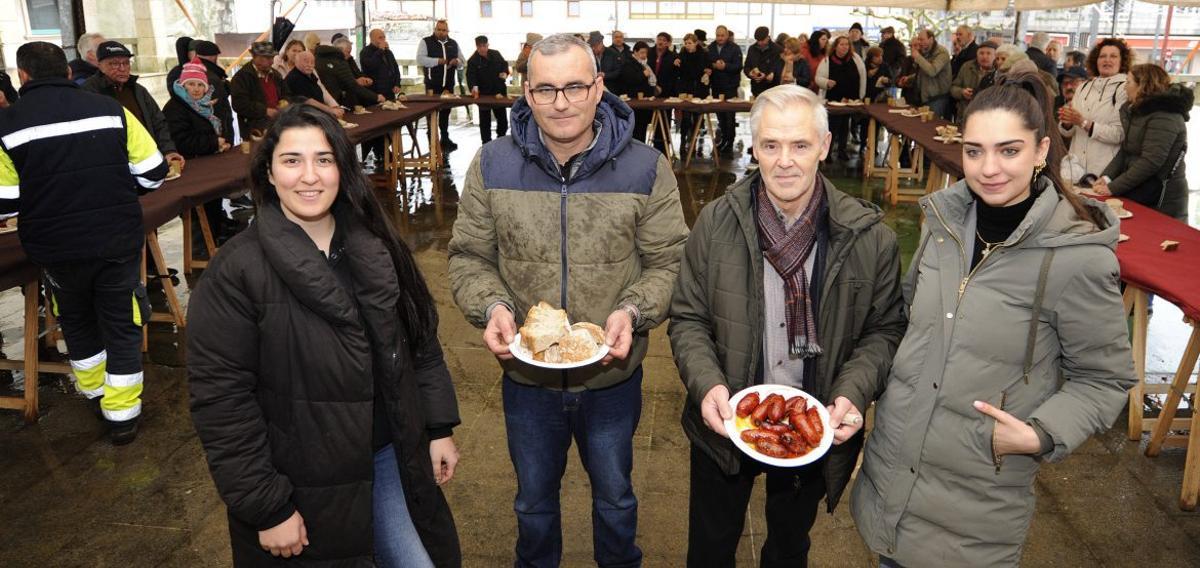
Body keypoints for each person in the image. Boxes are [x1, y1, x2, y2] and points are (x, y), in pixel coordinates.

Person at [851, 72, 1135, 567]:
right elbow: (905, 323)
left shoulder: (1076, 256)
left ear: (1041, 150)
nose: (989, 169)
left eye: (1009, 151)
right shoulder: (943, 226)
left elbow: (1105, 378)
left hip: (976, 503)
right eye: (975, 151)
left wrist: (1040, 433)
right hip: (893, 477)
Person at [447, 33, 687, 568]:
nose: (562, 103)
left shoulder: (646, 168)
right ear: (526, 93)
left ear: (599, 87)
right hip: (527, 381)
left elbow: (670, 261)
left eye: (575, 87)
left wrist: (631, 311)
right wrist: (494, 307)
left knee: (616, 499)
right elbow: (467, 257)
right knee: (532, 504)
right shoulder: (491, 165)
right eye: (547, 89)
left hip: (611, 380)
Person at [187, 104, 462, 567]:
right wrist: (267, 506)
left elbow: (420, 343)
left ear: (343, 169)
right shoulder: (235, 272)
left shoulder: (376, 245)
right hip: (300, 483)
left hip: (388, 456)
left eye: (325, 159)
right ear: (269, 173)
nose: (309, 176)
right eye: (292, 160)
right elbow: (222, 402)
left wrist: (437, 428)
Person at [670, 83, 904, 568]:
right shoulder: (715, 224)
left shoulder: (869, 237)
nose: (785, 161)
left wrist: (853, 393)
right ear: (754, 148)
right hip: (725, 423)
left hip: (814, 426)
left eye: (800, 145)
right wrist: (707, 384)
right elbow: (689, 317)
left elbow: (885, 330)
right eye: (771, 145)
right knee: (710, 548)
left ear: (823, 145)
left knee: (788, 550)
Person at [0, 41, 167, 444]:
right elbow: (153, 174)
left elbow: (4, 201)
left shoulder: (8, 126)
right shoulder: (113, 111)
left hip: (56, 249)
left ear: (24, 75)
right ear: (70, 72)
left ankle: (94, 393)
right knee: (122, 322)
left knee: (74, 319)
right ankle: (123, 416)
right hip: (115, 240)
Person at [1094, 63, 1192, 221]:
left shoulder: (1165, 115)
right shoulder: (1138, 111)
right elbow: (1127, 150)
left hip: (1162, 200)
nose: (1125, 88)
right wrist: (1106, 177)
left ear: (1143, 85)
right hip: (1142, 191)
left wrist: (1113, 188)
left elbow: (1151, 161)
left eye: (1129, 82)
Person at [83, 40, 183, 169]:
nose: (122, 68)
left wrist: (169, 151)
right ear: (100, 65)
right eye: (114, 64)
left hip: (149, 161)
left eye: (126, 63)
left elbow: (158, 122)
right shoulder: (90, 92)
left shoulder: (138, 90)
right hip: (115, 165)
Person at [1058, 38, 1129, 183]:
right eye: (1102, 56)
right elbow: (1069, 132)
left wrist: (1083, 122)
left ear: (1122, 61)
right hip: (1074, 170)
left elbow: (1119, 134)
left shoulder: (1125, 89)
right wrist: (1067, 123)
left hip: (1103, 173)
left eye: (1113, 56)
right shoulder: (1084, 87)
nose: (1107, 60)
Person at [164, 59, 231, 157]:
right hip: (189, 163)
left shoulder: (206, 104)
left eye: (200, 85)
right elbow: (179, 142)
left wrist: (223, 143)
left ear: (205, 88)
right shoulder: (174, 108)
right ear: (183, 86)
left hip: (208, 158)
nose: (196, 89)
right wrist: (213, 143)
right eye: (191, 84)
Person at [816, 36, 866, 161]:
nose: (845, 47)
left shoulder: (856, 59)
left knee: (845, 126)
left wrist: (861, 96)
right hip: (833, 100)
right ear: (836, 46)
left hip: (851, 100)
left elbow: (862, 76)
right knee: (832, 126)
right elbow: (818, 78)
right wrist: (826, 82)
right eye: (842, 44)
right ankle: (827, 152)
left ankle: (842, 151)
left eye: (847, 44)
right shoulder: (827, 61)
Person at [417, 19, 462, 151]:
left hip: (448, 85)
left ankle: (445, 138)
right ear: (435, 29)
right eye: (439, 29)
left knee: (445, 112)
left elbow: (463, 61)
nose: (442, 32)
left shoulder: (453, 43)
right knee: (431, 113)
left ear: (448, 31)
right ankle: (432, 139)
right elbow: (420, 59)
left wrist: (456, 61)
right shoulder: (426, 42)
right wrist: (437, 61)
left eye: (444, 30)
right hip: (432, 84)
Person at [230, 42, 291, 136]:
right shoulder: (241, 77)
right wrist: (265, 111)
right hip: (254, 131)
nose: (271, 61)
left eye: (272, 57)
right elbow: (239, 104)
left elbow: (287, 93)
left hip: (277, 126)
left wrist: (285, 102)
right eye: (267, 58)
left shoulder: (276, 75)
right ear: (255, 57)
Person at [466, 35, 510, 143]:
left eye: (484, 46)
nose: (482, 49)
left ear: (488, 45)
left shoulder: (496, 54)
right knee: (485, 122)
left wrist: (505, 72)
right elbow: (471, 77)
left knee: (502, 120)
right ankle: (486, 144)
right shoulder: (472, 61)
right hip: (483, 95)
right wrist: (474, 88)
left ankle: (501, 140)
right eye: (480, 46)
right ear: (476, 46)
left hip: (499, 92)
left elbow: (505, 65)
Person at [316, 40, 382, 109]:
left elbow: (349, 77)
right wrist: (376, 97)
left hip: (330, 99)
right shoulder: (339, 62)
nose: (350, 54)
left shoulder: (321, 58)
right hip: (336, 101)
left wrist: (361, 79)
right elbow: (352, 85)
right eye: (348, 52)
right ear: (340, 50)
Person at [709, 25, 743, 153]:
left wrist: (725, 66)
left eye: (722, 35)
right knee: (720, 116)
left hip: (730, 86)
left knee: (729, 116)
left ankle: (730, 141)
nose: (720, 38)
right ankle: (723, 139)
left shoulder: (735, 48)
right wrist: (712, 66)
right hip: (716, 86)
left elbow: (739, 66)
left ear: (727, 36)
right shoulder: (711, 47)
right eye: (718, 35)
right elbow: (707, 63)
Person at [677, 32, 712, 150]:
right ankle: (683, 140)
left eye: (690, 43)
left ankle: (693, 141)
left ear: (696, 43)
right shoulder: (682, 54)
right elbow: (680, 72)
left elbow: (707, 68)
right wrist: (676, 63)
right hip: (686, 89)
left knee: (697, 117)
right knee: (686, 117)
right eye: (686, 43)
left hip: (699, 89)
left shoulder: (703, 54)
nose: (687, 45)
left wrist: (708, 71)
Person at [284, 51, 346, 118]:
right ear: (296, 62)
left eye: (312, 62)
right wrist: (330, 110)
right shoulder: (295, 77)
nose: (309, 65)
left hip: (315, 115)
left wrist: (334, 107)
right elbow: (308, 101)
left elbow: (321, 94)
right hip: (300, 118)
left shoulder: (311, 75)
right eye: (306, 61)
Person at [908, 29, 952, 119]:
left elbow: (932, 71)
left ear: (931, 39)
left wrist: (918, 57)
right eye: (918, 39)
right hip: (924, 97)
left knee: (932, 127)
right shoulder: (925, 52)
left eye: (922, 39)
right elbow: (924, 73)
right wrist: (909, 79)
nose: (919, 42)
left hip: (937, 98)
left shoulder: (942, 52)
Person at [620, 41, 657, 142]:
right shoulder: (628, 63)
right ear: (635, 52)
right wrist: (643, 75)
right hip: (634, 102)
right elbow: (629, 80)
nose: (644, 55)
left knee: (642, 129)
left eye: (645, 53)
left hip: (644, 102)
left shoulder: (644, 64)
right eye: (642, 52)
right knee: (635, 131)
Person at [951, 39, 997, 120]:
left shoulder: (999, 72)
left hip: (987, 117)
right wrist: (962, 92)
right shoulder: (967, 66)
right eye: (981, 53)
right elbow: (953, 87)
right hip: (965, 114)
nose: (984, 56)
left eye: (988, 53)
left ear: (995, 56)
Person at [360, 29, 402, 100]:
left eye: (384, 37)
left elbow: (395, 69)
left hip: (389, 91)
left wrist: (397, 84)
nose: (383, 40)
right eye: (380, 38)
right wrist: (380, 50)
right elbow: (371, 66)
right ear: (372, 39)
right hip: (375, 92)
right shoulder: (365, 52)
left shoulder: (388, 52)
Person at [745, 26, 782, 97]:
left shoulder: (777, 50)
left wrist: (769, 75)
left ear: (768, 37)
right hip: (756, 89)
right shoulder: (752, 49)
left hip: (772, 89)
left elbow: (780, 69)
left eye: (762, 40)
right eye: (758, 40)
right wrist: (750, 73)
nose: (760, 43)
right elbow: (746, 67)